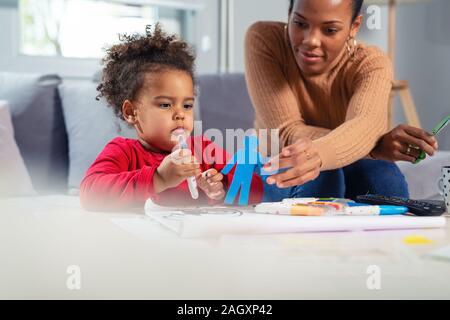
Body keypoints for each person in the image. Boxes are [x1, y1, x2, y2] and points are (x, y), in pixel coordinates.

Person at [244, 0, 439, 201]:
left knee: (384, 178)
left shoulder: (371, 64)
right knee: (321, 177)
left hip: (349, 162)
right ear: (289, 13)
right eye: (300, 24)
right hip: (278, 159)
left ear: (354, 27)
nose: (311, 40)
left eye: (329, 30)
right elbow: (286, 132)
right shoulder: (264, 39)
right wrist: (374, 146)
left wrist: (353, 144)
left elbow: (366, 123)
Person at [80, 24, 263, 211]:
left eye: (187, 105)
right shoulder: (123, 152)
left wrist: (222, 185)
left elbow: (256, 187)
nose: (180, 114)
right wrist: (158, 179)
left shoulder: (204, 150)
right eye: (165, 105)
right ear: (131, 112)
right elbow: (90, 194)